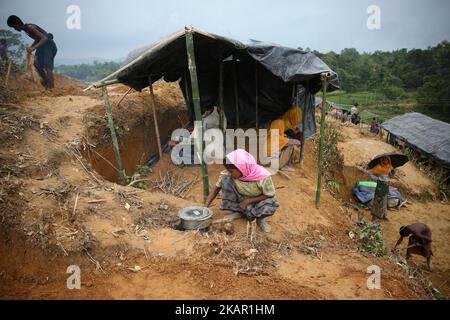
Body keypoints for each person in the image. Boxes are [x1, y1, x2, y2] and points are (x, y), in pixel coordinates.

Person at [204, 149, 279, 233]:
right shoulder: (227, 175)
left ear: (242, 168)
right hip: (240, 200)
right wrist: (205, 207)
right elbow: (215, 189)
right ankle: (238, 212)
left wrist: (248, 201)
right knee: (226, 180)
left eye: (231, 171)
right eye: (228, 171)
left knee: (271, 204)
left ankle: (259, 219)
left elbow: (270, 194)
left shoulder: (262, 176)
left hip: (257, 201)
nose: (229, 173)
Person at [7, 15, 57, 89]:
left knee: (47, 66)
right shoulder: (26, 29)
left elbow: (44, 38)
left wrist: (33, 48)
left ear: (17, 24)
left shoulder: (30, 27)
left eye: (14, 27)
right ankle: (47, 81)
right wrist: (31, 47)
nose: (15, 29)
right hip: (42, 46)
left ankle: (51, 87)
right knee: (36, 63)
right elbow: (37, 39)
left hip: (48, 45)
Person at [368, 155, 394, 221]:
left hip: (386, 185)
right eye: (384, 159)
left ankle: (384, 214)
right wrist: (378, 178)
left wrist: (392, 172)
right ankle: (375, 217)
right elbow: (370, 173)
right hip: (380, 186)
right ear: (382, 160)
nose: (385, 161)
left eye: (387, 160)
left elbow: (391, 176)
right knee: (378, 200)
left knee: (385, 200)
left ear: (389, 160)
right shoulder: (378, 167)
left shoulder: (390, 167)